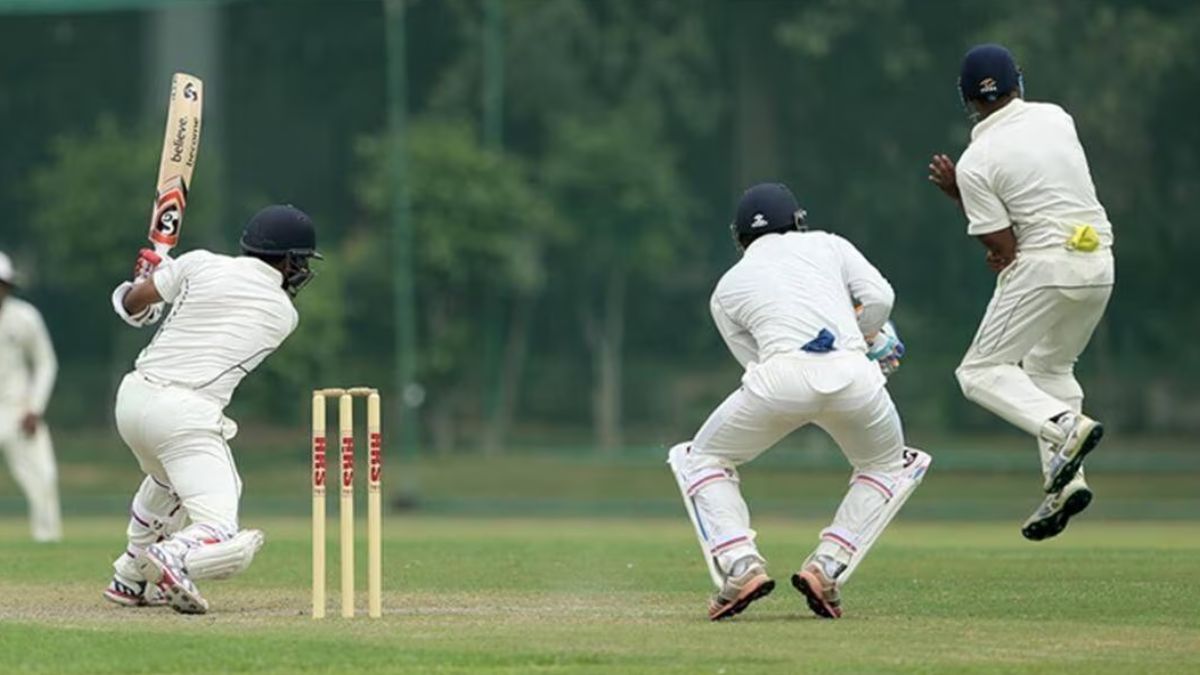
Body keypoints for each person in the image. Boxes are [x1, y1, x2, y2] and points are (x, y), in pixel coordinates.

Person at [667, 183, 930, 621]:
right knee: (885, 466)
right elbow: (881, 299)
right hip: (855, 376)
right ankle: (827, 567)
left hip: (779, 378)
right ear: (798, 222)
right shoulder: (829, 244)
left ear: (739, 237)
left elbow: (752, 361)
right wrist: (865, 339)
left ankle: (740, 564)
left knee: (702, 459)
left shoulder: (727, 287)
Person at [928, 44, 1114, 541]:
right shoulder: (1058, 117)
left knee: (979, 372)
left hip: (1045, 267)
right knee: (1050, 367)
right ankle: (1067, 481)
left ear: (967, 98)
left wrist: (960, 194)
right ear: (1019, 83)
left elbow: (1005, 248)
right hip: (1098, 263)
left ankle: (1064, 428)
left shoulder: (974, 161)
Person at [102, 205, 321, 614]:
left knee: (168, 483)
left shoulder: (198, 263)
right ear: (289, 260)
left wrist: (151, 279)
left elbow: (134, 306)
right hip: (185, 416)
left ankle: (130, 575)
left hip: (132, 399)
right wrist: (165, 279)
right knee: (219, 529)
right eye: (301, 260)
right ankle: (174, 555)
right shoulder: (283, 313)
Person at [0, 251, 62, 543]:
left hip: (17, 409)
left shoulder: (25, 317)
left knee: (43, 476)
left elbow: (45, 362)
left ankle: (47, 541)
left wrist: (34, 408)